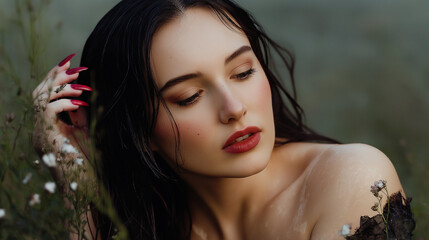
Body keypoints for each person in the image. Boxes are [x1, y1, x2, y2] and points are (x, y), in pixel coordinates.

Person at [32, 0, 409, 239]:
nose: (234, 108)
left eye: (243, 72)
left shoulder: (352, 179)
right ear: (138, 130)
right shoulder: (151, 223)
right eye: (189, 96)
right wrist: (74, 184)